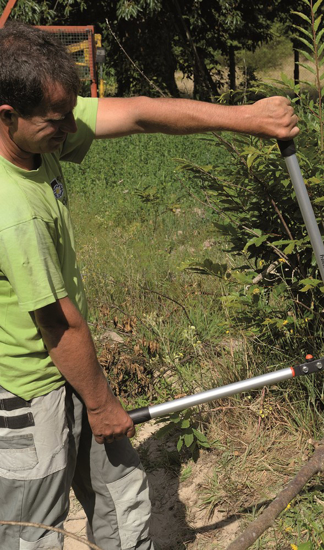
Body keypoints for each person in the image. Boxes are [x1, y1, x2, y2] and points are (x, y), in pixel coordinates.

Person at [0, 21, 299, 550]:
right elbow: (57, 322)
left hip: (73, 369)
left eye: (73, 113)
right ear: (7, 117)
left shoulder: (36, 132)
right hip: (29, 390)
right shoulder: (12, 209)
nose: (72, 129)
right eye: (56, 121)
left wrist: (246, 118)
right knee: (32, 531)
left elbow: (138, 111)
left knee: (121, 493)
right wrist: (99, 405)